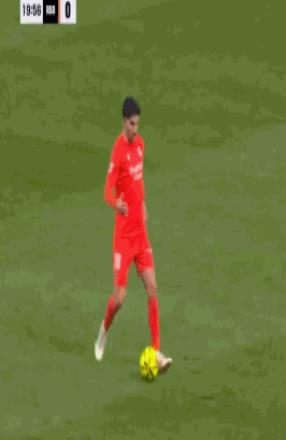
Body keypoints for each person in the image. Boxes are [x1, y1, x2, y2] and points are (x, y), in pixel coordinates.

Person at [94, 96, 172, 374]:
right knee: (119, 299)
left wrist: (143, 203)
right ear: (123, 121)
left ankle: (156, 351)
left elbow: (139, 180)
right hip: (124, 238)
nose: (135, 129)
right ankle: (104, 330)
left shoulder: (140, 145)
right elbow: (107, 190)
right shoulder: (117, 151)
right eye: (131, 124)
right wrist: (117, 204)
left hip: (141, 234)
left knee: (152, 287)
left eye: (137, 124)